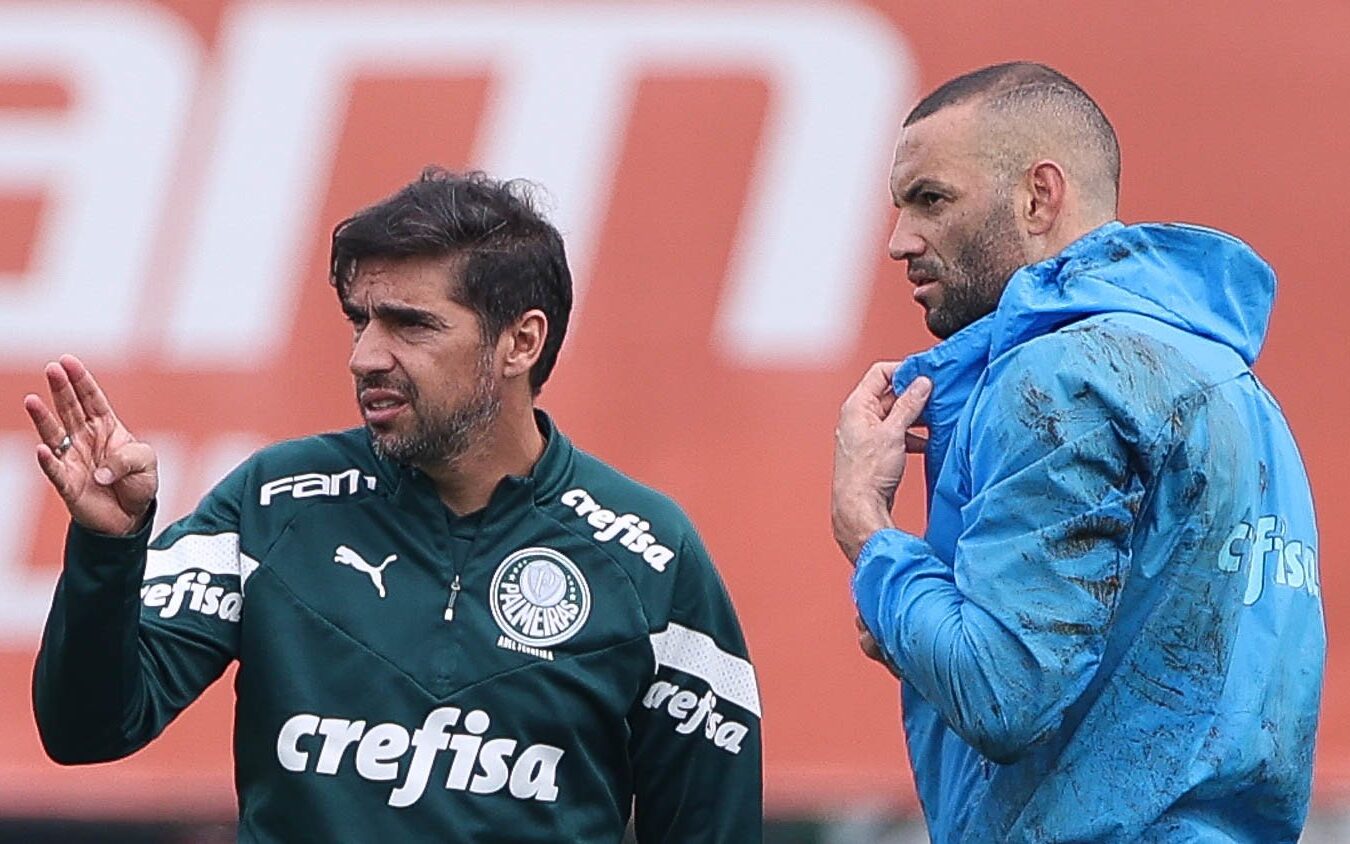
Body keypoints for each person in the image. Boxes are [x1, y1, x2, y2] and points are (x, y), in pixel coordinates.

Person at [27, 168, 762, 842]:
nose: (365, 356)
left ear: (521, 342)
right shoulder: (275, 503)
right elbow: (87, 730)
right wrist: (109, 549)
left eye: (410, 324)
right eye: (360, 320)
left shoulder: (651, 556)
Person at [831, 62, 1323, 841]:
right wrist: (913, 622)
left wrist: (868, 534)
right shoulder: (1235, 385)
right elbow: (1132, 671)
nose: (899, 241)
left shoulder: (1061, 378)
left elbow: (1002, 693)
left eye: (931, 199)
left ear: (1039, 196)